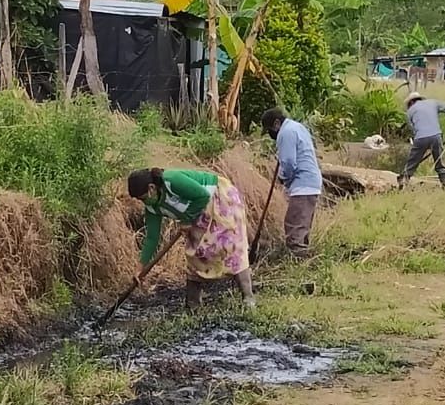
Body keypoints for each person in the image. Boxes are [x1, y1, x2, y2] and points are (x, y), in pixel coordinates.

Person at [126, 167, 255, 310]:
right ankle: (193, 305)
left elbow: (202, 195)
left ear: (151, 188)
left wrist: (187, 219)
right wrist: (140, 268)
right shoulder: (151, 207)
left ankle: (248, 298)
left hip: (219, 198)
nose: (143, 202)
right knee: (195, 252)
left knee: (230, 246)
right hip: (198, 211)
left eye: (143, 198)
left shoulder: (172, 180)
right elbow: (151, 238)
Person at [261, 108, 322, 258]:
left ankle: (299, 266)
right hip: (310, 183)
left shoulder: (286, 132)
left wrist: (283, 178)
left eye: (270, 130)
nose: (271, 135)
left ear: (276, 123)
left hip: (303, 185)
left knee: (294, 228)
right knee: (301, 227)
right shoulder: (297, 127)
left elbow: (288, 162)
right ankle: (305, 260)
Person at [398, 92, 445, 190]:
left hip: (420, 138)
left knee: (412, 161)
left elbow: (412, 129)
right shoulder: (433, 103)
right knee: (440, 161)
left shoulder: (409, 112)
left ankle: (404, 181)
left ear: (411, 102)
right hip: (436, 136)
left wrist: (420, 143)